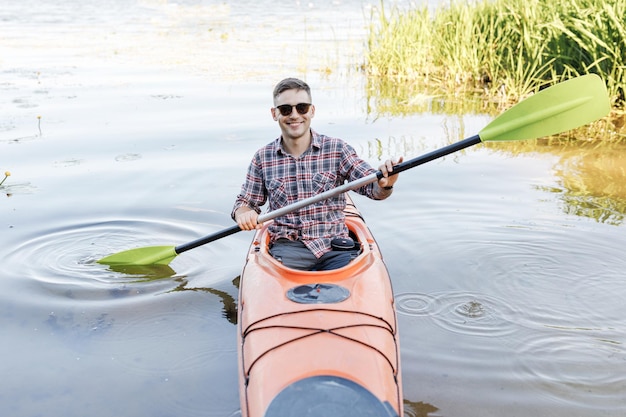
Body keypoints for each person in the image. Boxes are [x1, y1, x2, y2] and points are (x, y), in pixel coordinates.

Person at [232, 77, 403, 271]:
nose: (294, 115)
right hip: (288, 249)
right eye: (286, 109)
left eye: (302, 108)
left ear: (312, 111)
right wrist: (244, 214)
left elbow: (373, 189)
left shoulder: (337, 149)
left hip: (336, 248)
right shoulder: (263, 158)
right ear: (274, 113)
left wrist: (385, 183)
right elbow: (244, 203)